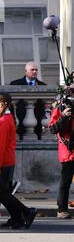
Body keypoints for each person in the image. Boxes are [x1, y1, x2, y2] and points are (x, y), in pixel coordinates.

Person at [0, 93, 37, 231]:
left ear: (3, 104)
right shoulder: (6, 118)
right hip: (4, 161)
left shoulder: (3, 121)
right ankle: (7, 220)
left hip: (2, 162)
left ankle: (26, 212)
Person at [48, 91, 74, 219]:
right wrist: (63, 116)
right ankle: (62, 209)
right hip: (68, 151)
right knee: (65, 181)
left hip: (69, 150)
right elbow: (52, 128)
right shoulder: (60, 108)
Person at [10, 62, 47, 139]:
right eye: (32, 70)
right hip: (19, 119)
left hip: (37, 121)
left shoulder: (43, 86)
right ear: (26, 71)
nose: (34, 72)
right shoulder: (15, 84)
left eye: (36, 70)